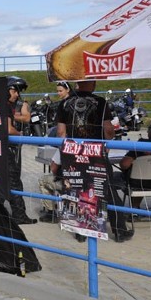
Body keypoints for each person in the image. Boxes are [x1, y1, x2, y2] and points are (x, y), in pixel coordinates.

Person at [54, 80, 130, 241]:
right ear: (91, 84)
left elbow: (61, 133)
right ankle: (119, 230)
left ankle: (80, 232)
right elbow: (108, 130)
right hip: (96, 152)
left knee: (76, 190)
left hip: (74, 153)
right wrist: (105, 141)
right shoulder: (100, 102)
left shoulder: (64, 103)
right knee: (107, 190)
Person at [117, 120, 151, 210]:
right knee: (139, 178)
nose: (147, 131)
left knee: (109, 178)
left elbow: (124, 164)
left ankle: (115, 209)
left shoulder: (142, 144)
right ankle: (134, 208)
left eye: (149, 129)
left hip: (134, 184)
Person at [6, 76, 36, 225]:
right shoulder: (4, 105)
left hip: (9, 147)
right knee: (14, 182)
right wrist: (20, 134)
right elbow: (9, 129)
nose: (17, 94)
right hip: (8, 147)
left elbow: (26, 117)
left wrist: (14, 117)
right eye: (15, 91)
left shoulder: (19, 104)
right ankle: (18, 215)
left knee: (7, 179)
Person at [37, 148, 63, 223]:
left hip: (66, 184)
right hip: (86, 185)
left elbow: (53, 168)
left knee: (42, 180)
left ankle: (51, 214)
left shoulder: (64, 146)